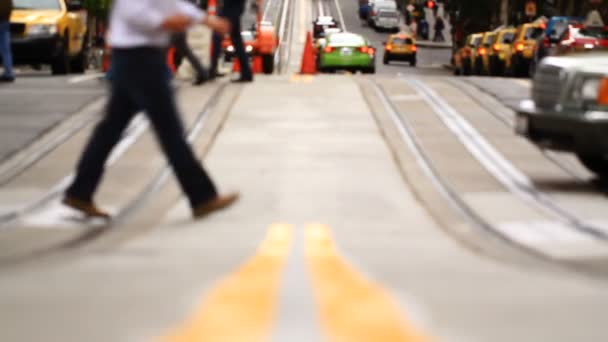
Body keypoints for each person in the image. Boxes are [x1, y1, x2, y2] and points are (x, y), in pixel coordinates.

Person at [62, 0, 238, 220]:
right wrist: (167, 22)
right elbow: (135, 13)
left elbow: (171, 4)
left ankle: (80, 191)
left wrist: (205, 19)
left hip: (139, 58)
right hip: (140, 59)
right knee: (170, 131)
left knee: (110, 130)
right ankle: (202, 197)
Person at [209, 0, 252, 82]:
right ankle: (247, 73)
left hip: (231, 8)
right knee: (237, 41)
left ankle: (212, 70)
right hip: (233, 7)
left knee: (218, 36)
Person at [0, 0, 15, 83]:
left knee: (5, 49)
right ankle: (8, 73)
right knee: (6, 49)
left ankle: (8, 73)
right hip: (5, 21)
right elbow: (10, 7)